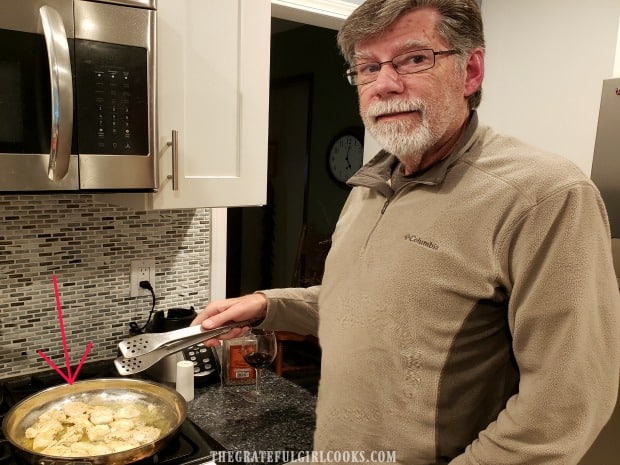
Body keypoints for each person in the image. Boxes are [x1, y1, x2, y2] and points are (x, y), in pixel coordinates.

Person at [193, 0, 620, 463]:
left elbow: (562, 409)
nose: (385, 85)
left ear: (470, 70)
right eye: (368, 67)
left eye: (414, 59)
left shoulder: (544, 195)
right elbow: (371, 305)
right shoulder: (373, 185)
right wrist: (268, 306)